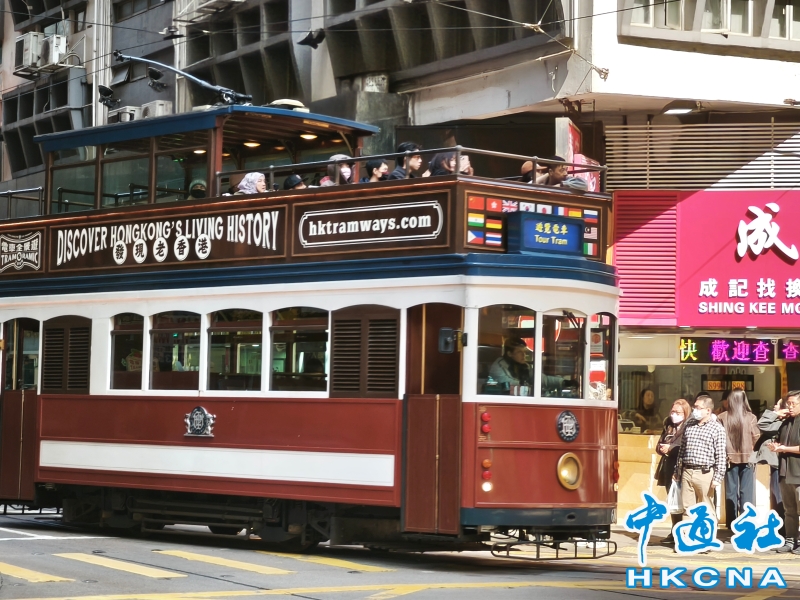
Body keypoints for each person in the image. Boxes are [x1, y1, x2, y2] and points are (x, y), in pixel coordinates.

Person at [674, 394, 727, 524]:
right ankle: (687, 534)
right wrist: (677, 470)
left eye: (698, 407)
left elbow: (721, 456)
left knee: (706, 507)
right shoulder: (689, 424)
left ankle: (707, 533)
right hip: (687, 471)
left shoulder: (717, 429)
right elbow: (682, 449)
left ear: (708, 410)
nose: (695, 410)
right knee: (687, 508)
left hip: (705, 473)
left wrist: (718, 477)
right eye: (694, 407)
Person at [717, 390, 760, 530]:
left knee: (730, 491)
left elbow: (719, 439)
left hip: (728, 459)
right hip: (748, 458)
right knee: (747, 491)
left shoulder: (722, 417)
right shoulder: (751, 417)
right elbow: (756, 438)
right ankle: (747, 522)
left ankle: (731, 522)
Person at [655, 399, 692, 545]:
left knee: (684, 501)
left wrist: (671, 448)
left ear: (685, 412)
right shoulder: (669, 425)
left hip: (683, 466)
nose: (674, 415)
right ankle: (674, 530)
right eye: (673, 411)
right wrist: (662, 448)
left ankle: (684, 532)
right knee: (673, 500)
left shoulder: (690, 426)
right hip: (669, 465)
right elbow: (660, 442)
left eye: (678, 412)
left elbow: (687, 447)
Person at [767, 391, 800, 553]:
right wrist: (775, 446)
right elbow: (763, 426)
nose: (790, 407)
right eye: (789, 404)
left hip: (798, 473)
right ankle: (790, 540)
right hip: (784, 472)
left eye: (794, 404)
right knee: (789, 510)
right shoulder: (785, 422)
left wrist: (784, 448)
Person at [755, 396, 789, 537]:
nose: (774, 407)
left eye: (778, 405)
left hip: (781, 464)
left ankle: (782, 529)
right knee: (776, 496)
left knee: (778, 496)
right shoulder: (780, 422)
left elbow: (762, 424)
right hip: (776, 463)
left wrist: (776, 414)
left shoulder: (782, 423)